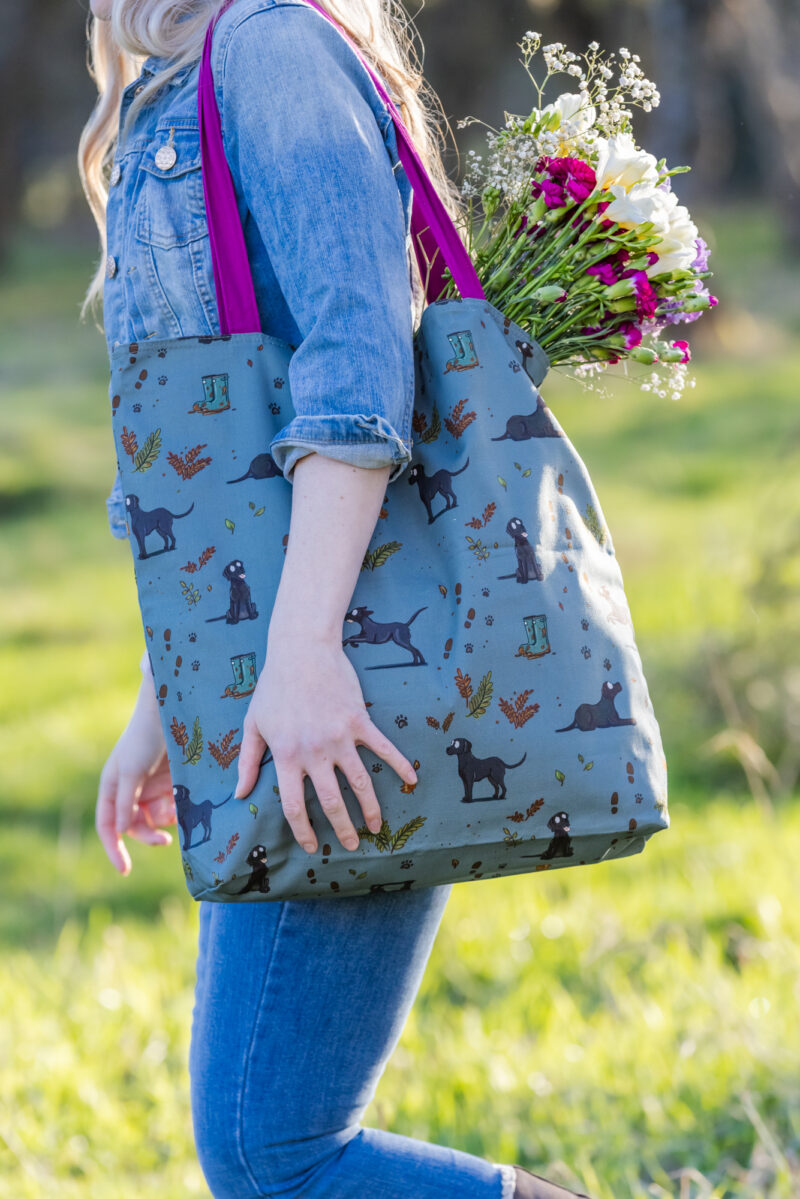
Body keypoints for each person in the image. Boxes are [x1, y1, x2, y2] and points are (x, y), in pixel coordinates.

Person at [78, 2, 595, 1196]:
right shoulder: (188, 74)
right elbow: (218, 455)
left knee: (277, 1156)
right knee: (274, 1141)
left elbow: (358, 370)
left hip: (336, 667)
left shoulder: (269, 47)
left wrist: (305, 651)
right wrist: (167, 695)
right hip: (275, 665)